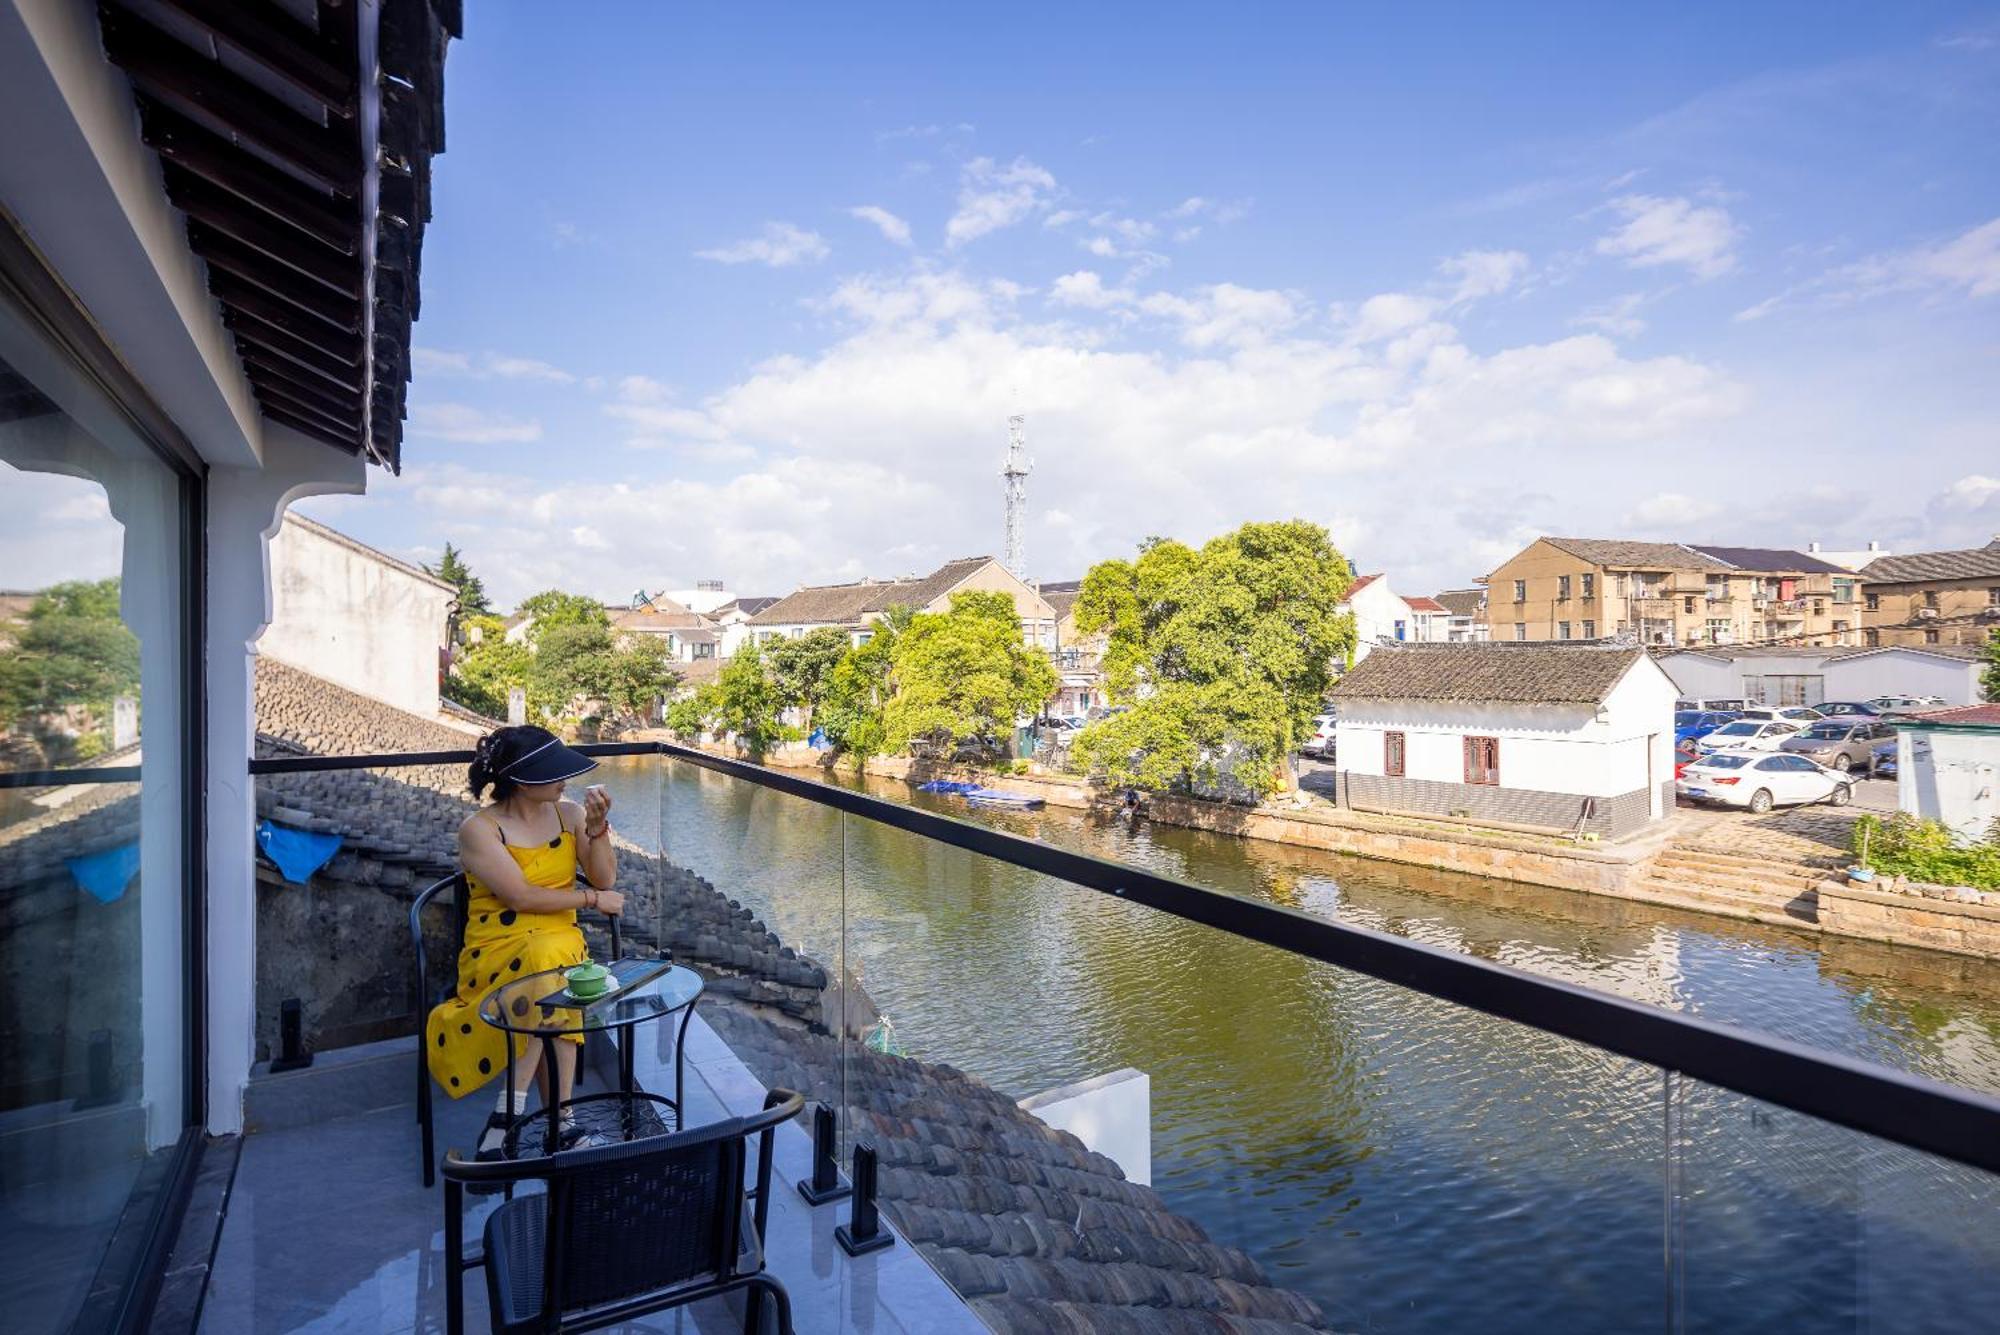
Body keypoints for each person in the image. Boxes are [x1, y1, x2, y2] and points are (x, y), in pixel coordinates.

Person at [425, 725, 622, 1163]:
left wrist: (597, 828)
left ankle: (507, 1116)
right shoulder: (480, 829)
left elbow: (607, 877)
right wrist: (592, 899)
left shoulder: (570, 815)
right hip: (497, 949)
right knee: (556, 973)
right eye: (553, 773)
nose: (564, 780)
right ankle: (562, 1126)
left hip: (557, 942)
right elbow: (520, 896)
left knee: (551, 960)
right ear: (521, 779)